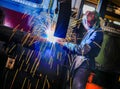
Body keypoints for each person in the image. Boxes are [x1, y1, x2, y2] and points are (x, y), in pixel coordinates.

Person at [57, 10, 103, 89]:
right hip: (79, 62)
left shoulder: (97, 33)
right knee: (69, 85)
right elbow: (79, 48)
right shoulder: (91, 32)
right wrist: (66, 45)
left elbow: (83, 50)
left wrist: (66, 44)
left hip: (84, 65)